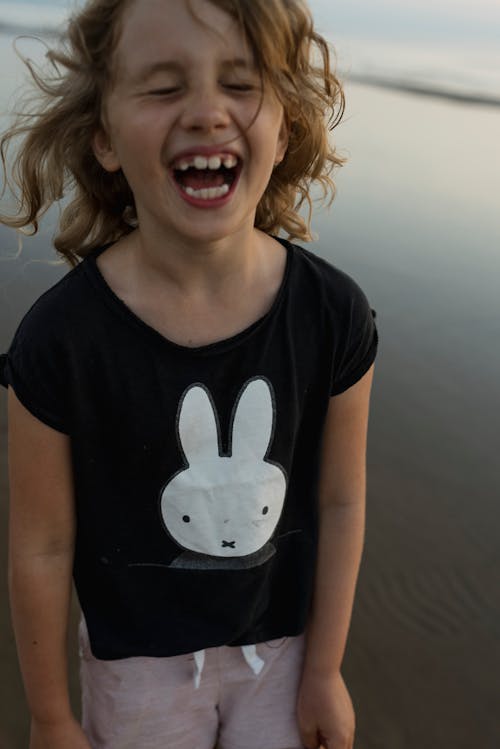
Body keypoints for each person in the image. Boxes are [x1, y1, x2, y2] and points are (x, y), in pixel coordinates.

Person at [0, 0, 378, 747]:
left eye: (240, 83)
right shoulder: (59, 341)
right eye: (164, 87)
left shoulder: (333, 314)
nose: (207, 113)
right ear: (104, 136)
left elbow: (340, 500)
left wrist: (326, 668)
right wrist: (50, 715)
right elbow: (41, 544)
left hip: (284, 649)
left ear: (287, 125)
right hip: (135, 666)